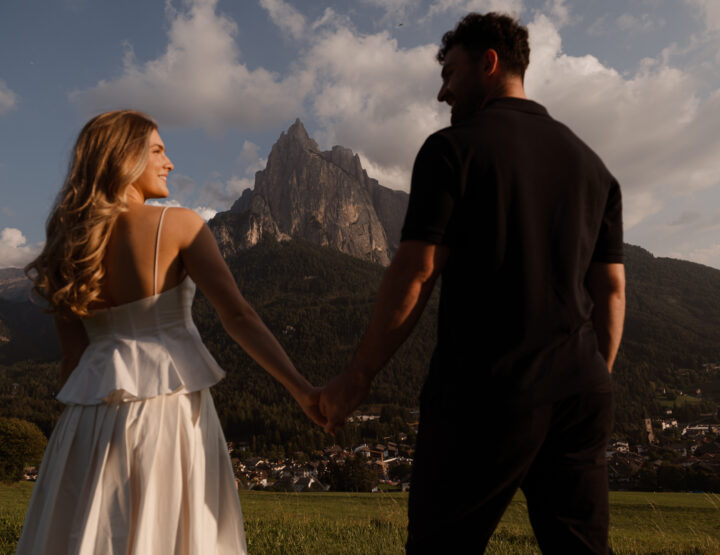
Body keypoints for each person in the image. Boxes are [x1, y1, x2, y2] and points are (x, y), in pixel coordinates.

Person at [319, 12, 625, 554]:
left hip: (485, 391)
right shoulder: (596, 168)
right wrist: (593, 372)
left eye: (451, 74)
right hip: (581, 394)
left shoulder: (452, 149)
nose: (442, 93)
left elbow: (415, 272)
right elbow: (612, 292)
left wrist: (356, 379)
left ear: (488, 64)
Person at [17, 110, 325, 554]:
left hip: (84, 425)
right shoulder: (178, 224)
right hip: (166, 413)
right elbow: (237, 316)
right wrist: (301, 389)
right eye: (158, 150)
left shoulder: (68, 247)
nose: (170, 163)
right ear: (125, 158)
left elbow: (73, 361)